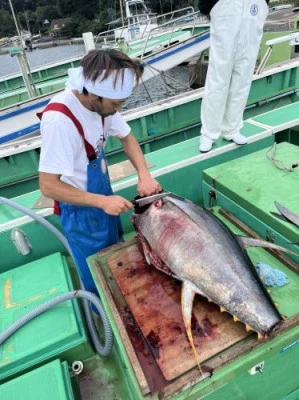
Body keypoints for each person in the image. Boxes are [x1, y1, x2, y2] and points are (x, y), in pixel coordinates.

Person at [38, 49, 161, 293]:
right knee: (99, 278)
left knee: (116, 257)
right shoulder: (60, 121)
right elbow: (48, 186)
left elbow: (127, 138)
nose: (118, 109)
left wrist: (144, 175)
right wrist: (101, 202)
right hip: (81, 211)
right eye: (115, 104)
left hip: (104, 198)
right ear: (93, 93)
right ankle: (104, 318)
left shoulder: (103, 107)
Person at [198, 0, 269, 152]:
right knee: (218, 78)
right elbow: (204, 5)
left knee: (243, 78)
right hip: (226, 8)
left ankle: (232, 129)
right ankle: (209, 133)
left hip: (254, 9)